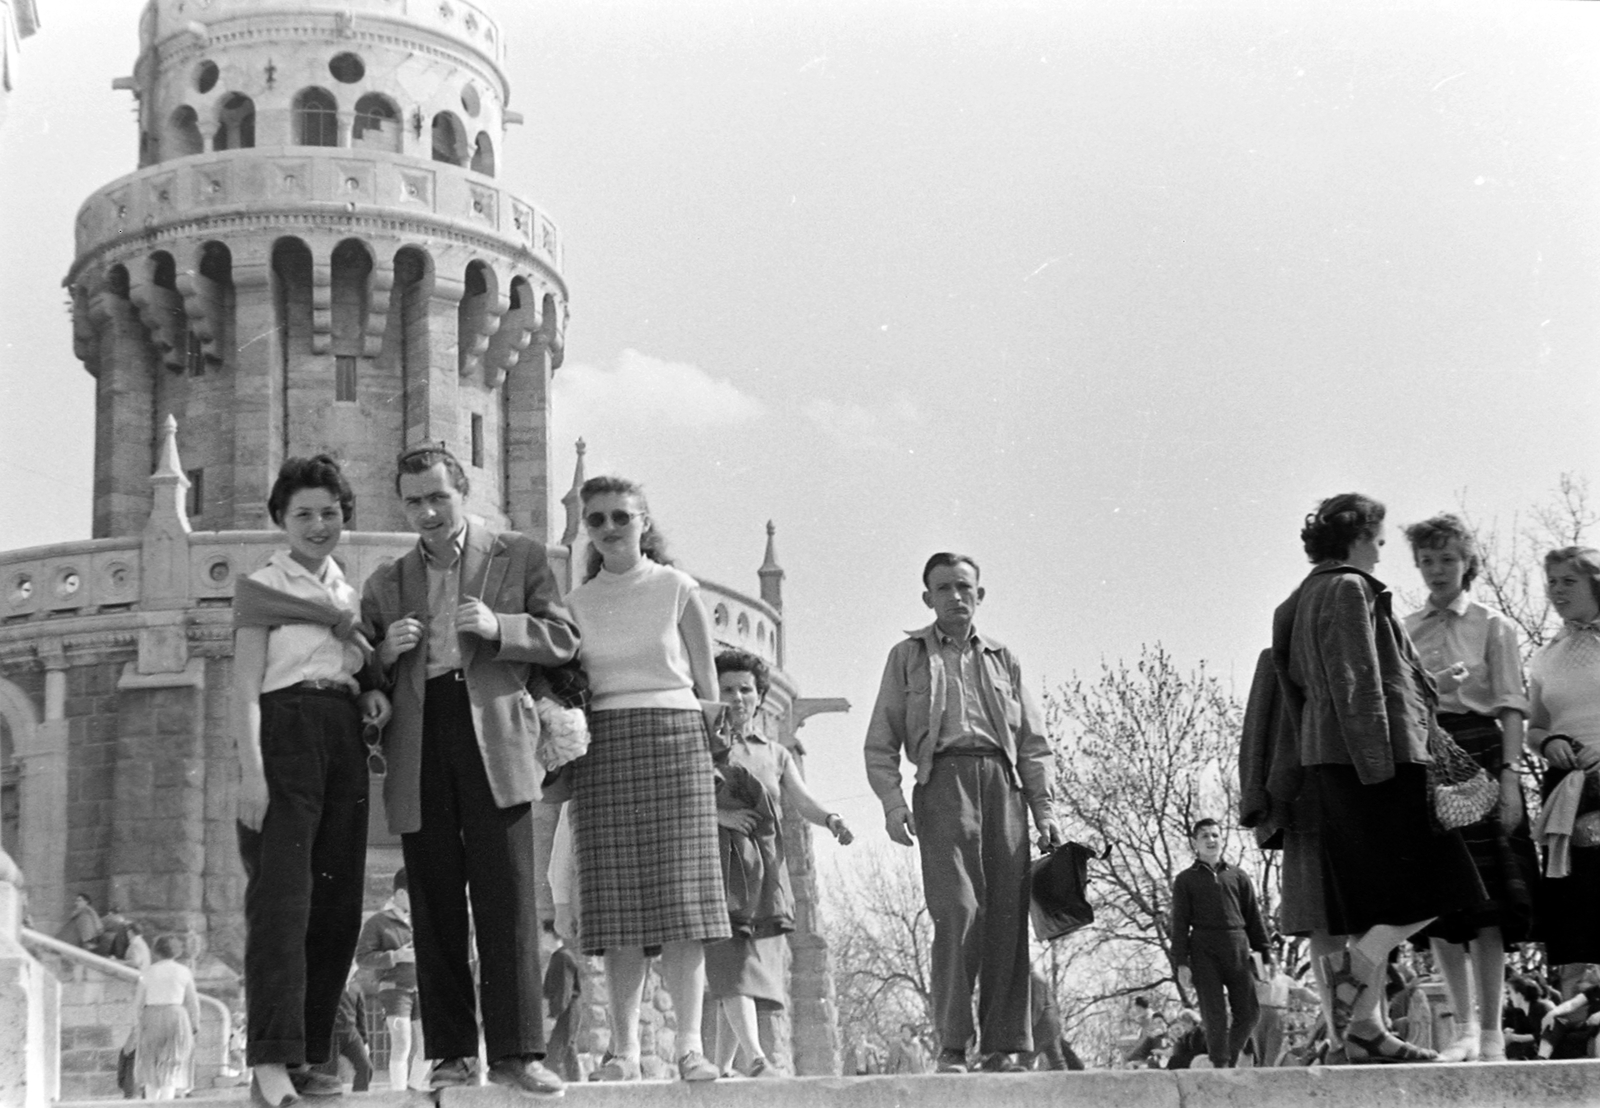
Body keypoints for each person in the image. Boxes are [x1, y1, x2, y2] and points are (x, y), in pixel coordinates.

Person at [360, 442, 578, 1096]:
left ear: (464, 494)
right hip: (420, 735)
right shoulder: (386, 580)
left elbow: (562, 639)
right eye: (414, 501)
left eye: (438, 498)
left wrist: (500, 626)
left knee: (508, 897)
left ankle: (517, 1055)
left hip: (497, 734)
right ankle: (452, 1055)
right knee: (432, 903)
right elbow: (358, 668)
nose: (427, 512)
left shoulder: (521, 556)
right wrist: (383, 654)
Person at [1271, 493, 1484, 1064]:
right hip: (1377, 760)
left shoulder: (1294, 601)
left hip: (1328, 763)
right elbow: (1356, 681)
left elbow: (1302, 694)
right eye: (1381, 541)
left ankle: (1363, 1031)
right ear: (1360, 536)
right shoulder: (1349, 588)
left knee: (1369, 900)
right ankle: (1356, 968)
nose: (1383, 553)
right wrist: (1379, 768)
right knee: (1450, 882)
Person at [864, 553, 1061, 1074]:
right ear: (927, 598)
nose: (956, 596)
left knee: (1005, 919)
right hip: (942, 785)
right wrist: (892, 803)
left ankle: (1003, 1046)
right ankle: (952, 1045)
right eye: (944, 588)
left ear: (980, 595)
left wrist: (1043, 810)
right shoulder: (907, 656)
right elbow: (880, 741)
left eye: (965, 587)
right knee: (957, 911)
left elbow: (1034, 742)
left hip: (1003, 786)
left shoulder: (1003, 659)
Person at [233, 455, 390, 1107]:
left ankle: (308, 1055)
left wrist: (371, 691)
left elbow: (354, 661)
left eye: (330, 512)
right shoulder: (261, 587)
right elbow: (244, 685)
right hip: (285, 729)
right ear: (280, 520)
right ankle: (270, 1062)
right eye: (304, 514)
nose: (319, 524)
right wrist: (251, 774)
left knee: (337, 906)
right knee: (282, 906)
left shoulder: (345, 594)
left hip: (341, 733)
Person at [563, 475, 730, 1082]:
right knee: (619, 904)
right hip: (604, 746)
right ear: (587, 528)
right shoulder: (576, 603)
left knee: (684, 899)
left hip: (677, 741)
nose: (610, 528)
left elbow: (709, 687)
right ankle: (626, 1052)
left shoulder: (676, 587)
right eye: (598, 519)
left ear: (644, 522)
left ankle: (690, 1047)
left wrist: (717, 752)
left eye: (622, 517)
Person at [1402, 514, 1534, 1062]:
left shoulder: (1493, 624)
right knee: (1440, 902)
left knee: (1487, 904)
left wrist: (1510, 780)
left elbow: (1511, 706)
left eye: (1447, 559)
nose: (1437, 571)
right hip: (1428, 757)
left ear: (1467, 564)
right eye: (1427, 561)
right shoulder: (1404, 627)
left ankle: (1491, 1032)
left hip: (1480, 753)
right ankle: (1459, 1027)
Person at [707, 649, 854, 1079]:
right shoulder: (703, 745)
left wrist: (830, 819)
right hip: (716, 864)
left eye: (745, 690)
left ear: (759, 697)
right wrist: (720, 815)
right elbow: (679, 795)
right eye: (727, 689)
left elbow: (800, 798)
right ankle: (754, 1058)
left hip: (763, 869)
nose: (736, 698)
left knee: (748, 963)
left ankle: (719, 1067)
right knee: (734, 962)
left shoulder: (774, 752)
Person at [1527, 547, 1600, 1000]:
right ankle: (1581, 1019)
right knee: (1576, 901)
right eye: (1551, 581)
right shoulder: (1545, 655)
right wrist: (1548, 742)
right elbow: (1535, 726)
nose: (1556, 590)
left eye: (1567, 581)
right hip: (1568, 790)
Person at [1171, 818, 1270, 1068]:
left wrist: (1265, 953)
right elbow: (1179, 924)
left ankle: (1229, 1056)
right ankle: (1220, 1065)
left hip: (1237, 944)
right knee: (1213, 1014)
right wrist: (1181, 963)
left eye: (1215, 835)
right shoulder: (1185, 880)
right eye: (1204, 836)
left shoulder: (1238, 876)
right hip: (1204, 947)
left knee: (1249, 1012)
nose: (1211, 840)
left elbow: (1253, 917)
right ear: (1195, 843)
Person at [354, 868, 425, 1091]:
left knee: (428, 1045)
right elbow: (362, 957)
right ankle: (399, 1094)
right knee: (402, 1043)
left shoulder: (423, 918)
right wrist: (395, 956)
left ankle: (412, 1090)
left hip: (424, 988)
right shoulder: (378, 922)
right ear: (402, 893)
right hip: (394, 989)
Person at [131, 935, 202, 1100]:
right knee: (172, 1062)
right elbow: (193, 1002)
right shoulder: (183, 971)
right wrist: (195, 1023)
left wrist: (136, 1024)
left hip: (151, 1016)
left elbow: (137, 1003)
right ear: (176, 952)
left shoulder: (147, 972)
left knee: (150, 1061)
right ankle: (167, 1101)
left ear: (156, 951)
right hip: (176, 1016)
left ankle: (151, 1101)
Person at [311, 968, 373, 1092]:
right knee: (329, 1075)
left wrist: (364, 1040)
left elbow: (361, 1016)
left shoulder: (356, 987)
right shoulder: (325, 984)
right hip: (330, 1034)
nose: (350, 967)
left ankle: (359, 1100)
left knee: (365, 1067)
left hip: (351, 1033)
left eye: (353, 964)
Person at [541, 921, 583, 1083]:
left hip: (566, 1011)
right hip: (568, 1010)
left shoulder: (562, 957)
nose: (542, 938)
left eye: (544, 934)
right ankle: (576, 1083)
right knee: (568, 1048)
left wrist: (554, 1015)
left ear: (551, 934)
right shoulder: (560, 956)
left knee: (557, 1051)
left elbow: (563, 990)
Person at [1536, 973, 1600, 1059]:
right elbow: (1572, 1004)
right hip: (1588, 1026)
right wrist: (1552, 1013)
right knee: (1554, 1023)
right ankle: (1541, 1060)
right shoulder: (1595, 990)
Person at [1503, 975, 1555, 1060]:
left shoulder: (1540, 1008)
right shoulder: (1519, 1012)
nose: (1509, 997)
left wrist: (1513, 1037)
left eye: (1510, 992)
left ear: (1519, 994)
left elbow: (1540, 1035)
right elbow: (1520, 1032)